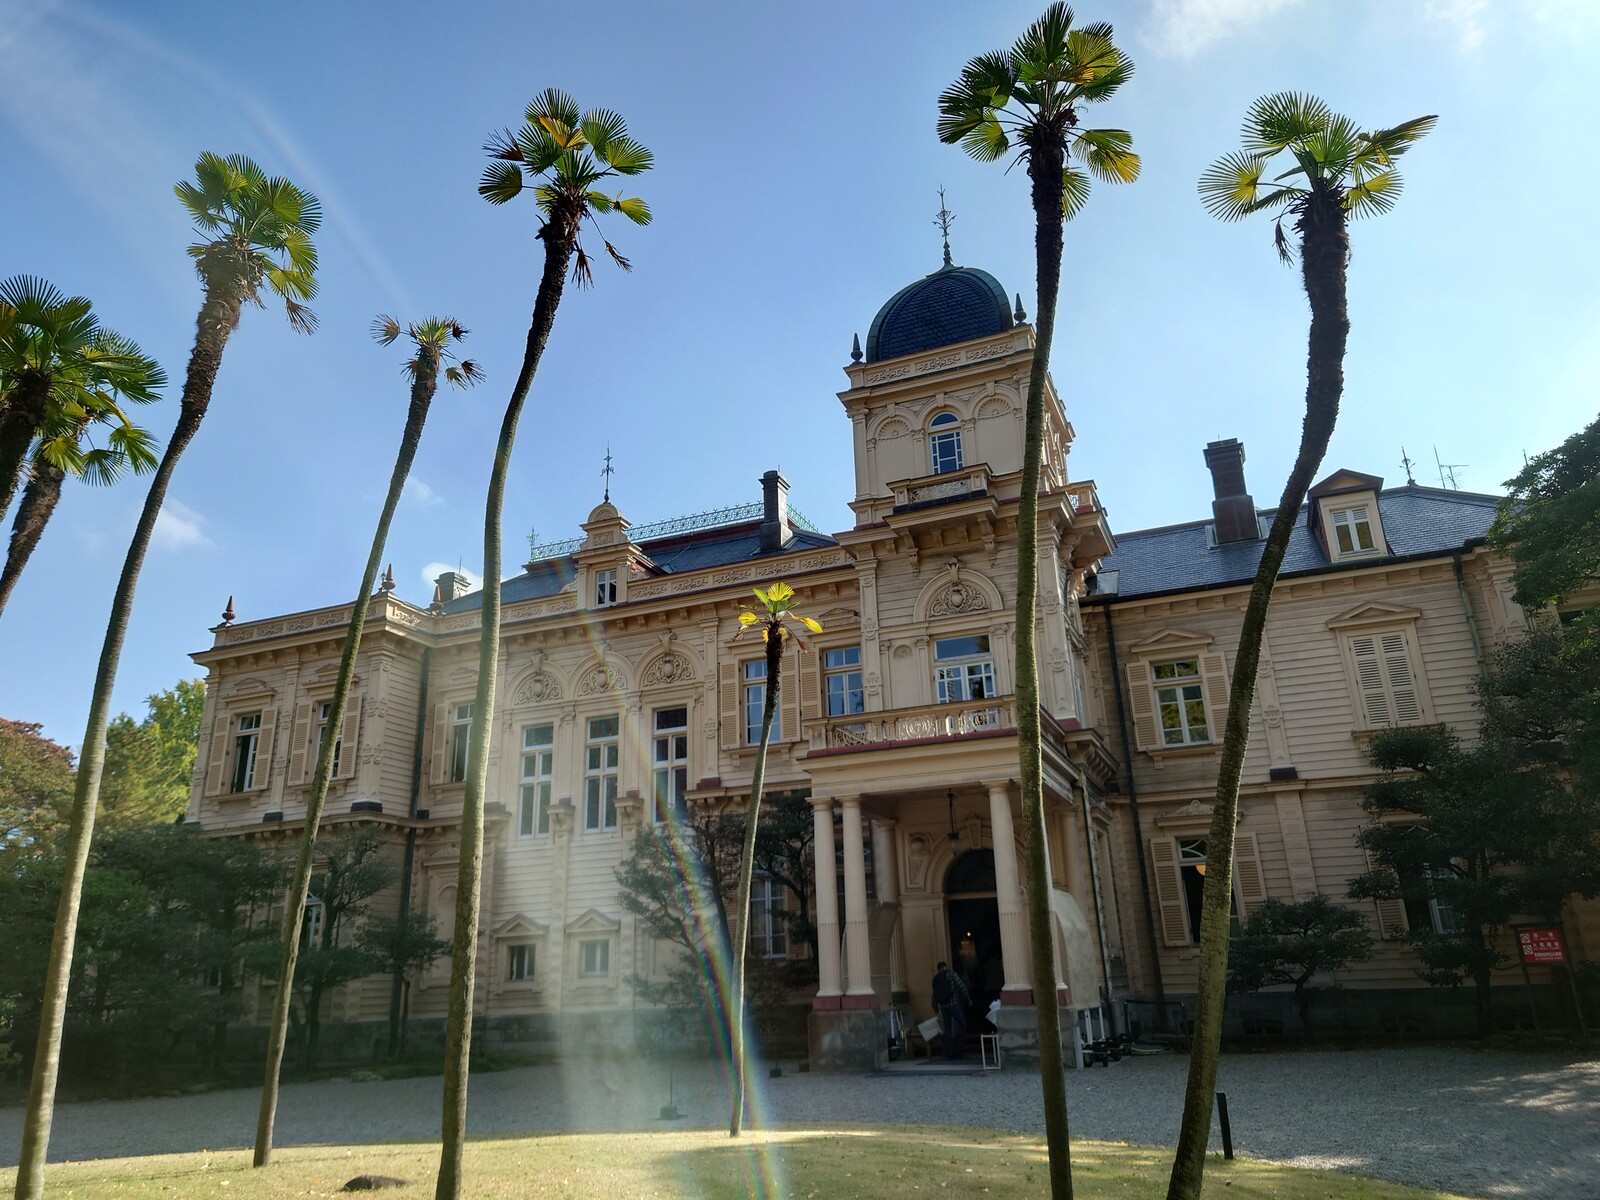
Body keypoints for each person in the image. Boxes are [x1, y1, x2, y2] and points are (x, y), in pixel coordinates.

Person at [931, 960, 970, 1060]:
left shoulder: (935, 979)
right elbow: (961, 986)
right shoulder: (951, 974)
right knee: (962, 1024)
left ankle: (949, 1052)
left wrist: (935, 1008)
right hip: (953, 1003)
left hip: (943, 1006)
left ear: (938, 969)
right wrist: (968, 999)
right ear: (945, 966)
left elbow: (934, 995)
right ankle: (958, 1048)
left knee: (947, 1028)